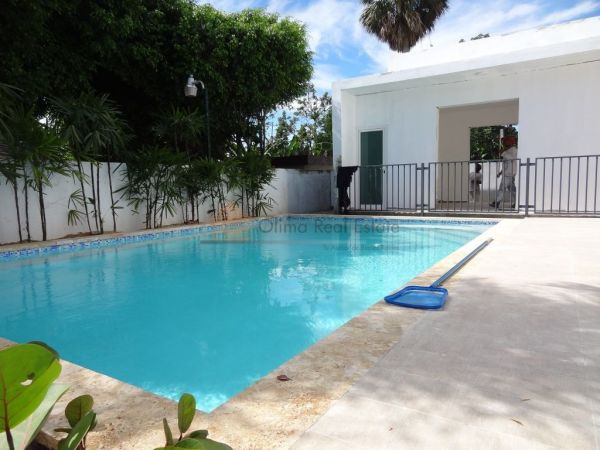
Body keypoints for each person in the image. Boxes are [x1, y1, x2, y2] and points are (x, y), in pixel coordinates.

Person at [490, 135, 518, 208]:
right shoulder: (508, 150)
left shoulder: (514, 150)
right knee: (512, 190)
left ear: (510, 142)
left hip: (509, 173)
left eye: (505, 141)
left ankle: (497, 202)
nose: (503, 143)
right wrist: (500, 172)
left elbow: (512, 159)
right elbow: (506, 164)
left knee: (502, 188)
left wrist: (503, 153)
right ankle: (517, 203)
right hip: (508, 173)